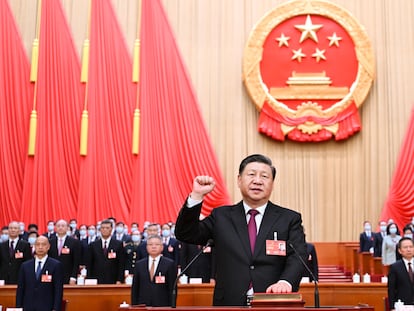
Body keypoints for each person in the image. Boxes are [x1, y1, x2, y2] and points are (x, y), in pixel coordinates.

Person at [175, 154, 307, 306]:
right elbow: (185, 233)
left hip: (272, 301)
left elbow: (299, 256)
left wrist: (286, 282)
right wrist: (197, 195)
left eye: (264, 176)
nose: (257, 180)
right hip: (229, 302)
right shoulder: (221, 216)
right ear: (239, 180)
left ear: (272, 183)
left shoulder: (289, 219)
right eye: (251, 174)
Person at [16, 235, 64, 311]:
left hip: (47, 307)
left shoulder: (55, 265)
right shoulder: (25, 266)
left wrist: (56, 308)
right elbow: (20, 289)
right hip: (28, 307)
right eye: (38, 244)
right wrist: (18, 307)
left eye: (43, 244)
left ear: (48, 247)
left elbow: (58, 290)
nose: (40, 247)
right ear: (34, 247)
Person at [131, 235, 177, 306]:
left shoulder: (169, 264)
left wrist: (172, 306)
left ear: (162, 247)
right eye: (150, 244)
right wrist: (134, 306)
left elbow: (172, 288)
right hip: (143, 305)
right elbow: (135, 288)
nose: (153, 247)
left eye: (157, 244)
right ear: (146, 247)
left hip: (163, 305)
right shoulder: (139, 265)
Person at [87, 219, 125, 284]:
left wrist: (119, 279)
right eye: (103, 228)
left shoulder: (118, 244)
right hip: (96, 279)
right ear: (100, 230)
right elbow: (89, 264)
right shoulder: (93, 245)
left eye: (107, 228)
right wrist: (89, 279)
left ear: (111, 229)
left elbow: (121, 264)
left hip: (113, 279)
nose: (105, 230)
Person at [48, 219, 82, 284]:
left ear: (67, 228)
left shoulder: (74, 242)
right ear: (55, 228)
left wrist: (73, 277)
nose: (60, 228)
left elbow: (76, 261)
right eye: (58, 226)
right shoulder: (50, 242)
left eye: (63, 226)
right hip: (52, 275)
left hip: (68, 276)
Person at [387, 237, 414, 310]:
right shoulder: (395, 267)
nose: (409, 249)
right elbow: (391, 289)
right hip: (402, 306)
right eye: (405, 247)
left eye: (411, 247)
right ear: (399, 250)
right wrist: (392, 307)